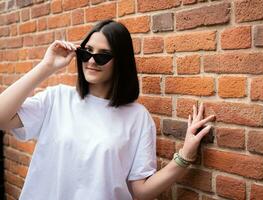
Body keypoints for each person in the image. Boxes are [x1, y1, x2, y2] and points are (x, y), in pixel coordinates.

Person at [0, 20, 215, 200]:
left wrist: (185, 156)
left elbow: (140, 191)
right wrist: (46, 66)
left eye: (103, 55)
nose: (92, 60)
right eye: (87, 52)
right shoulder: (57, 99)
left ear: (120, 62)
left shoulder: (137, 118)